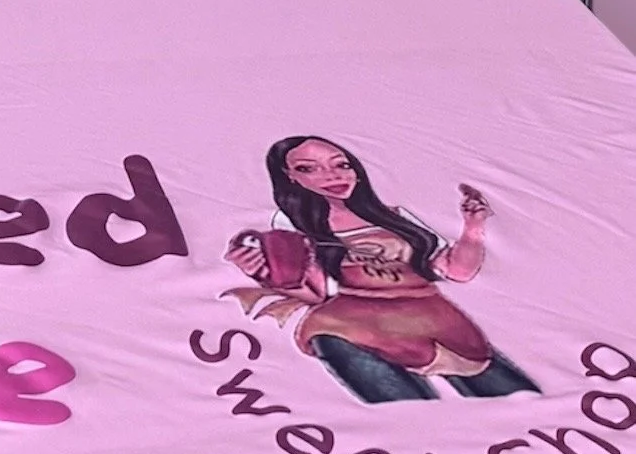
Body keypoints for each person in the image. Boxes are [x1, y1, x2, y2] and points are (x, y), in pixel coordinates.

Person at [224, 135, 539, 403]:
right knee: (409, 416)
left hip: (435, 320)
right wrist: (265, 275)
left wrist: (473, 227)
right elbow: (316, 294)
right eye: (308, 168)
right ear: (290, 177)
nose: (331, 176)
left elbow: (457, 272)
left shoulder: (394, 217)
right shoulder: (292, 225)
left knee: (523, 401)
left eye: (341, 164)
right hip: (352, 326)